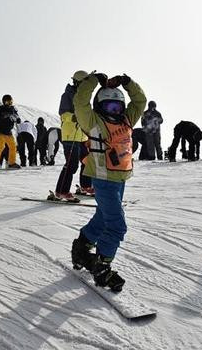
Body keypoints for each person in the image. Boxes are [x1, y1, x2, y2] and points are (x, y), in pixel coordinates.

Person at [70, 72, 146, 292]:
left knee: (104, 217)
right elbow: (80, 102)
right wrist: (94, 81)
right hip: (103, 179)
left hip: (121, 177)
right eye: (110, 107)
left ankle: (82, 247)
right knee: (117, 225)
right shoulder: (93, 121)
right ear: (100, 107)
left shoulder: (127, 119)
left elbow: (140, 101)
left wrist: (127, 82)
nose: (115, 111)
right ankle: (102, 267)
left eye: (118, 107)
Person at [52, 70, 92, 200]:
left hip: (82, 136)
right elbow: (63, 114)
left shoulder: (84, 96)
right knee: (72, 164)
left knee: (87, 161)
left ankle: (85, 186)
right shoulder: (67, 95)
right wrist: (75, 117)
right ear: (78, 82)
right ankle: (61, 191)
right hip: (70, 135)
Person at [0, 94, 21, 169]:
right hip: (0, 130)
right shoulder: (0, 109)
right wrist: (3, 116)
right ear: (4, 102)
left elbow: (17, 118)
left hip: (8, 131)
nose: (10, 104)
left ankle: (11, 163)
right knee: (1, 146)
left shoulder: (13, 109)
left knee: (13, 146)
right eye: (8, 102)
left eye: (11, 102)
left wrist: (17, 119)